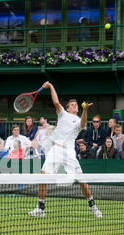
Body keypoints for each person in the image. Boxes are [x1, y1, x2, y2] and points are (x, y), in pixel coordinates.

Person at [28, 82, 102, 218]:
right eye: (72, 105)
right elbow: (55, 101)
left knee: (82, 182)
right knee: (43, 177)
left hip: (68, 152)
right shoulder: (62, 114)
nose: (75, 106)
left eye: (76, 105)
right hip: (55, 150)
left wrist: (85, 110)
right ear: (67, 109)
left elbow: (83, 124)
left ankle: (93, 207)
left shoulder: (79, 119)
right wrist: (50, 86)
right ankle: (41, 208)